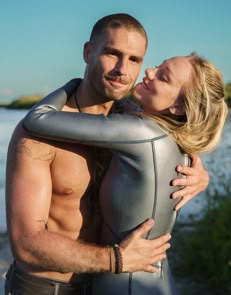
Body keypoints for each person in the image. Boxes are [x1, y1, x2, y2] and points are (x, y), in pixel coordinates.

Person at [5, 13, 210, 295]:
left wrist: (200, 173)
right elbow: (26, 243)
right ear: (88, 52)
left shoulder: (133, 119)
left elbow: (181, 135)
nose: (122, 70)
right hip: (48, 287)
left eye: (135, 59)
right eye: (112, 54)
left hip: (106, 286)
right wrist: (115, 259)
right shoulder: (38, 136)